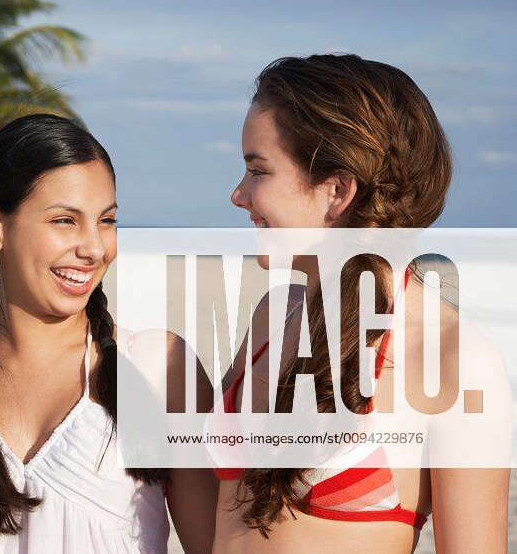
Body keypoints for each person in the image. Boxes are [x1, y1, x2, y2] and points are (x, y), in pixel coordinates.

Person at [211, 54, 509, 552]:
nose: (238, 195)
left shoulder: (456, 359)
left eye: (257, 171)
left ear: (336, 190)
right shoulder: (273, 316)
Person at [0, 113, 202, 553]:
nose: (94, 247)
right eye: (64, 221)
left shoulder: (157, 366)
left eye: (106, 220)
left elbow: (216, 544)